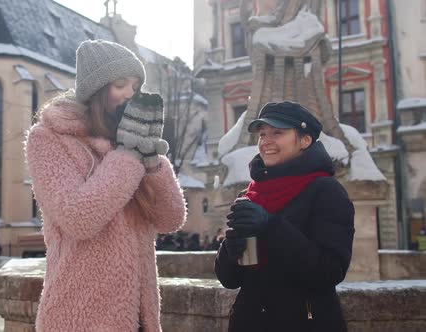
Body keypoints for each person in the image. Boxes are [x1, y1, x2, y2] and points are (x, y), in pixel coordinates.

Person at [25, 39, 186, 331]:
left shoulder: (130, 140)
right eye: (120, 84)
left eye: (135, 86)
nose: (130, 94)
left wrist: (150, 159)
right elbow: (79, 218)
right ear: (96, 89)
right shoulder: (48, 138)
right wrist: (127, 155)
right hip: (80, 315)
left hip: (139, 316)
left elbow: (171, 218)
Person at [215, 101, 355, 332]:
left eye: (277, 133)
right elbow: (230, 279)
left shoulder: (326, 191)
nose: (266, 141)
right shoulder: (250, 194)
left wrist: (271, 226)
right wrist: (231, 248)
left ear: (305, 140)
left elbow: (329, 271)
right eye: (262, 134)